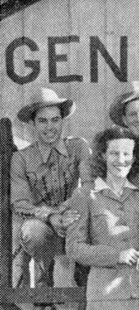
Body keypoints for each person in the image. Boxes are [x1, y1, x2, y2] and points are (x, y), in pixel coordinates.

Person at [65, 127, 139, 310]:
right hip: (104, 295)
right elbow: (74, 248)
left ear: (135, 158)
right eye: (114, 153)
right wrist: (117, 256)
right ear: (103, 156)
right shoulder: (85, 195)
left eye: (127, 154)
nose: (121, 159)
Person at [10, 87, 91, 289]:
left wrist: (65, 213)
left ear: (62, 120)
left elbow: (90, 186)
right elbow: (19, 203)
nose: (50, 127)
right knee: (31, 231)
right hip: (44, 226)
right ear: (32, 123)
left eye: (55, 120)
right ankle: (44, 281)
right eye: (42, 121)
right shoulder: (21, 158)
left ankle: (88, 285)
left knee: (92, 222)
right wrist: (50, 216)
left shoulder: (78, 147)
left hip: (74, 220)